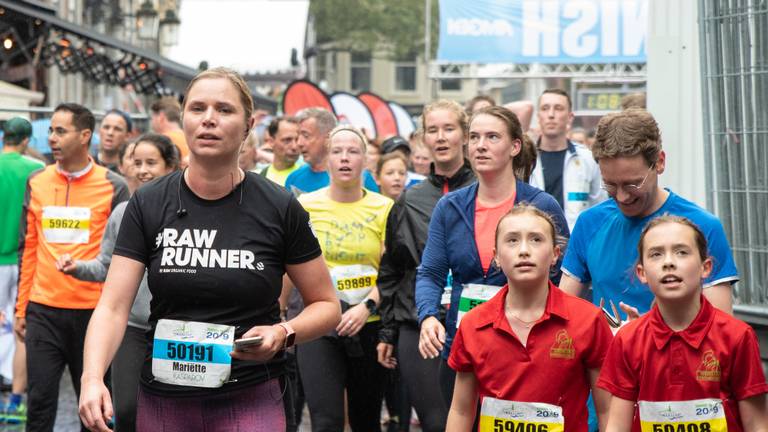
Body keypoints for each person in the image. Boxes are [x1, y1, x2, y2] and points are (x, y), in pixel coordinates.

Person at [78, 67, 341, 431]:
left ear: (248, 125)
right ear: (183, 119)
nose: (209, 120)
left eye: (224, 110)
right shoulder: (149, 204)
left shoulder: (280, 207)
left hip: (251, 393)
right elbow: (112, 306)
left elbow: (327, 305)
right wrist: (92, 377)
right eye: (198, 108)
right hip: (165, 397)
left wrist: (283, 333)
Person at [416, 105, 569, 407]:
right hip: (463, 346)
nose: (480, 145)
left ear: (514, 146)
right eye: (474, 137)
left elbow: (563, 276)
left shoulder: (541, 205)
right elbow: (430, 273)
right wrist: (428, 316)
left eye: (492, 137)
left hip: (526, 349)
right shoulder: (450, 207)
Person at [15, 104, 130, 431]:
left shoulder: (113, 185)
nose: (51, 137)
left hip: (93, 313)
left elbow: (118, 259)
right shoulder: (36, 180)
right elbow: (30, 248)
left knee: (93, 408)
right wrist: (22, 307)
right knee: (39, 404)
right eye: (50, 130)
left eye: (60, 131)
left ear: (85, 136)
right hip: (44, 309)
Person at [447, 205, 612, 431]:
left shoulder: (588, 320)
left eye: (536, 239)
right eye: (512, 240)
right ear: (496, 256)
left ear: (555, 254)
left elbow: (607, 410)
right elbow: (461, 410)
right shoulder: (473, 323)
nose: (524, 250)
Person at [559, 109, 738, 317]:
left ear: (660, 162)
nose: (622, 196)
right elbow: (564, 313)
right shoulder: (590, 223)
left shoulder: (703, 227)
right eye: (610, 184)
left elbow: (721, 330)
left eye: (633, 184)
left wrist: (647, 334)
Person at [599, 216, 768, 431]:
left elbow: (757, 425)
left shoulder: (738, 336)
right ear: (642, 273)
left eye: (682, 252)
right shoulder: (628, 339)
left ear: (705, 268)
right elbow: (617, 426)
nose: (669, 262)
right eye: (656, 254)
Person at [58, 134, 179, 432]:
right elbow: (105, 266)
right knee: (127, 410)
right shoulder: (123, 213)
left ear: (170, 167)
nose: (142, 170)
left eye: (152, 163)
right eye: (136, 163)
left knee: (174, 411)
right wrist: (78, 268)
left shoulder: (185, 212)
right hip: (133, 329)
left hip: (178, 329)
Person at [376, 99, 476, 432]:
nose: (441, 137)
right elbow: (393, 270)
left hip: (475, 322)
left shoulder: (487, 190)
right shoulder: (409, 199)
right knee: (436, 423)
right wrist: (388, 331)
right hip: (419, 325)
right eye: (433, 130)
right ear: (424, 138)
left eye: (449, 129)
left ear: (464, 134)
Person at [292, 125, 393, 431]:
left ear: (367, 161)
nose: (345, 158)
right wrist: (281, 313)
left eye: (353, 151)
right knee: (326, 421)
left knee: (366, 421)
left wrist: (367, 308)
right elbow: (291, 268)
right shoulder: (305, 205)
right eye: (337, 151)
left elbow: (392, 272)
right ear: (327, 160)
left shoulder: (385, 207)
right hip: (318, 325)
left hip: (368, 325)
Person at [0, 117, 45, 425]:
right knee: (20, 328)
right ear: (27, 140)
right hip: (25, 259)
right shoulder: (36, 170)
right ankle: (15, 398)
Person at [529, 89, 606, 230]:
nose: (551, 115)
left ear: (570, 117)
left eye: (558, 108)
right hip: (534, 240)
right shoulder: (526, 159)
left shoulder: (588, 159)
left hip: (575, 243)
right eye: (545, 108)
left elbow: (600, 208)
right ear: (538, 116)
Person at [285, 108, 378, 195]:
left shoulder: (361, 177)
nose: (299, 143)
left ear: (328, 138)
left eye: (306, 136)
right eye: (298, 136)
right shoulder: (294, 179)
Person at [260, 116, 302, 186]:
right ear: (271, 142)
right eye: (287, 140)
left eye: (297, 139)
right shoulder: (262, 176)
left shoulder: (307, 175)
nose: (294, 146)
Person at [150, 97, 190, 166]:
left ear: (160, 117)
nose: (151, 122)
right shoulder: (189, 138)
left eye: (152, 118)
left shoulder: (161, 142)